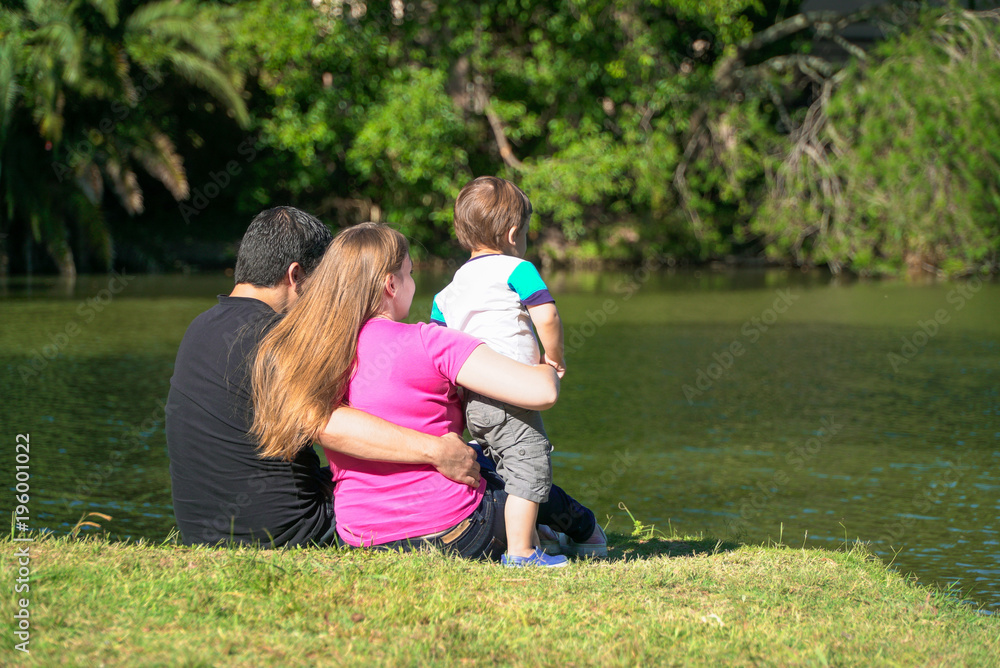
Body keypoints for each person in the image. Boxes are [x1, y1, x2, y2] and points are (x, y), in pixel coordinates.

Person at [250, 222, 605, 565]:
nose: (413, 283)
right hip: (457, 530)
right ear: (391, 284)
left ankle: (553, 532)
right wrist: (550, 365)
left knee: (487, 461)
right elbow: (541, 393)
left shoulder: (317, 353)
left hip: (362, 534)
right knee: (518, 466)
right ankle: (584, 529)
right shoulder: (430, 342)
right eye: (410, 273)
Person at [165, 207, 479, 547]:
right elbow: (325, 423)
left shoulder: (200, 327)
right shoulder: (277, 337)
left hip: (201, 532)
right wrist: (436, 450)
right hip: (289, 531)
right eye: (326, 282)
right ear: (296, 276)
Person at [430, 176, 601, 563]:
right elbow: (547, 313)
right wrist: (553, 356)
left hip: (473, 400)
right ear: (512, 233)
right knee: (529, 461)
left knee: (504, 466)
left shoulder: (448, 292)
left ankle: (530, 533)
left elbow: (439, 348)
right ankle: (522, 551)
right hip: (512, 393)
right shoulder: (517, 269)